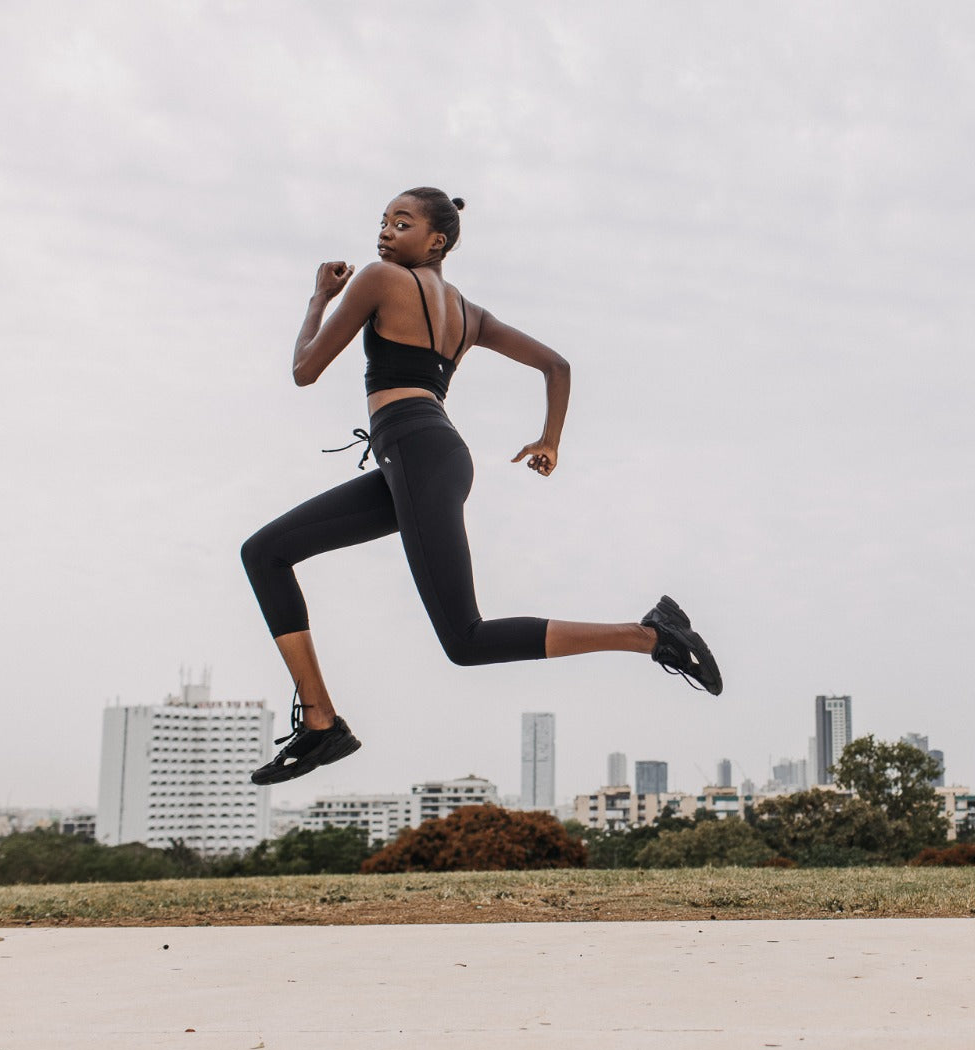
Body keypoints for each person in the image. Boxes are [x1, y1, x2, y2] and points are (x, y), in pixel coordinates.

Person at [240, 187, 721, 786]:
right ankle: (320, 722)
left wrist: (317, 298)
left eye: (402, 222)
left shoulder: (379, 280)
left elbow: (304, 369)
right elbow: (557, 366)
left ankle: (651, 636)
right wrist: (551, 440)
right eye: (383, 221)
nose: (385, 232)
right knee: (265, 552)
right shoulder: (469, 313)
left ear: (435, 240)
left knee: (465, 640)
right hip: (424, 456)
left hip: (415, 453)